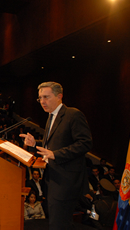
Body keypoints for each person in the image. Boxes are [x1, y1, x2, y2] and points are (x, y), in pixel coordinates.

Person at [20, 81, 92, 229]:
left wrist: (56, 154)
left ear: (59, 96)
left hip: (66, 182)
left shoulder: (73, 114)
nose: (42, 101)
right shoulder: (51, 116)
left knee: (59, 224)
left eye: (46, 97)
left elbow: (85, 143)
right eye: (40, 98)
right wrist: (34, 144)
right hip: (53, 179)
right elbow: (53, 145)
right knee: (56, 223)